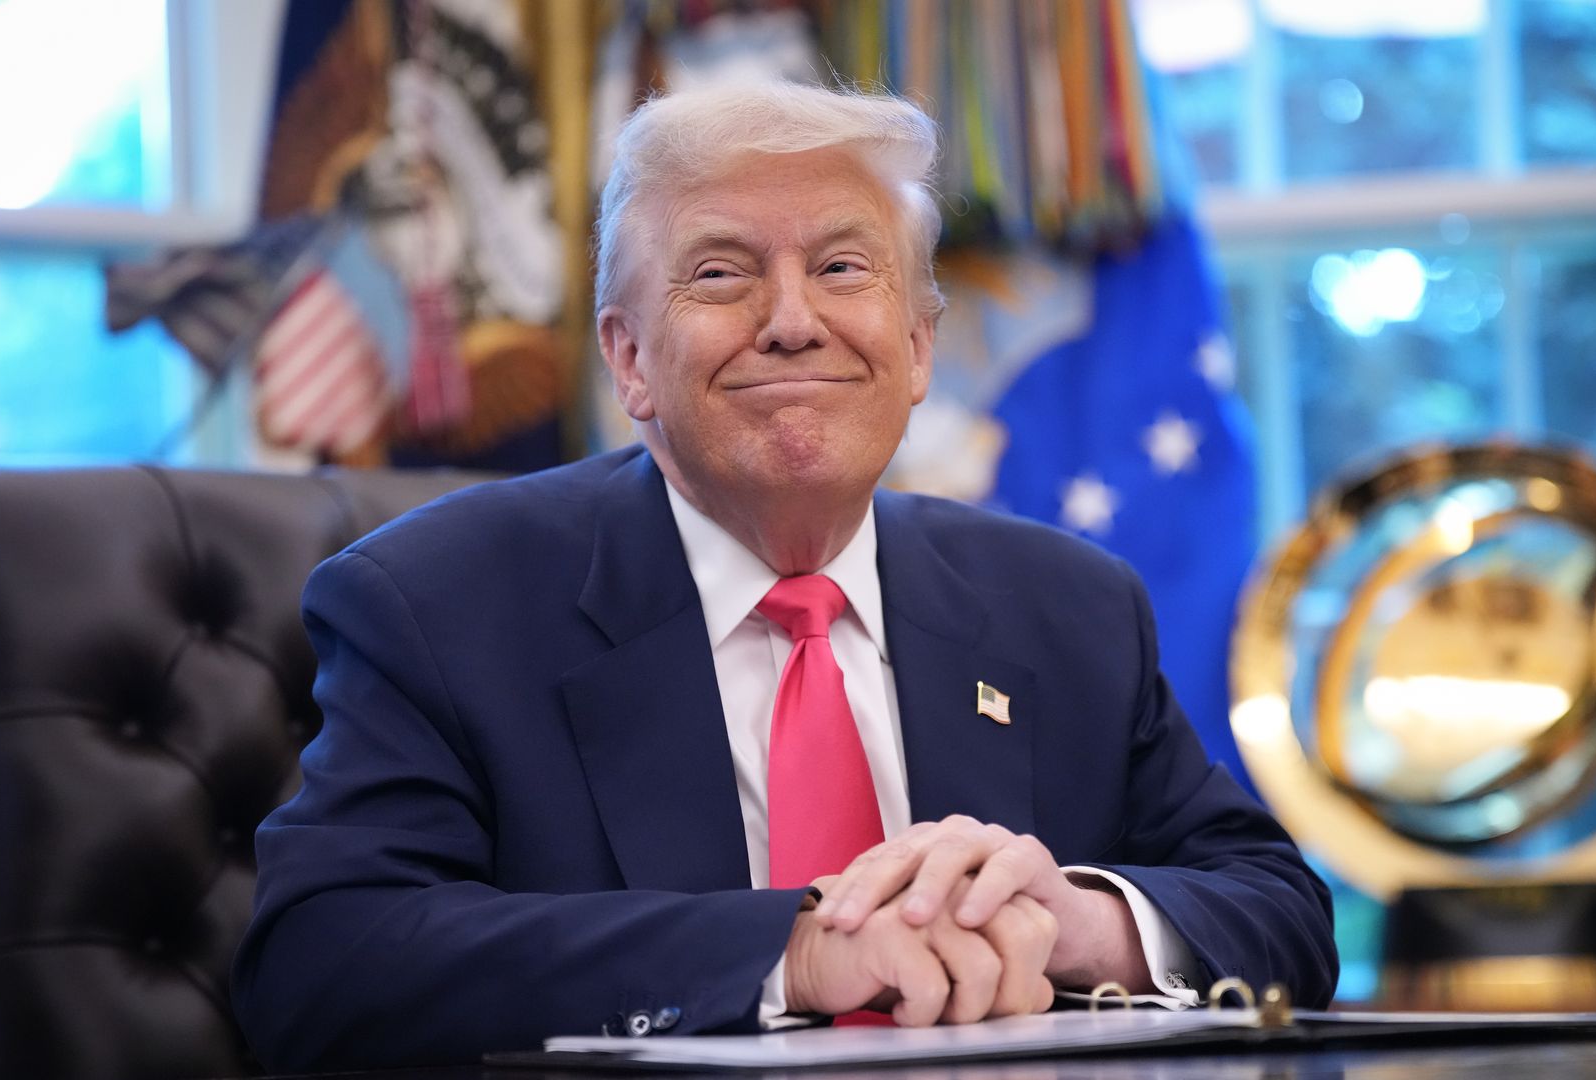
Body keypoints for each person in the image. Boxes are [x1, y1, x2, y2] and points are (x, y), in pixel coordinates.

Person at [233, 80, 1337, 1072]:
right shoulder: (435, 602)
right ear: (629, 359)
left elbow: (1280, 911)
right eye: (722, 274)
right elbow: (323, 965)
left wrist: (1079, 919)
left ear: (915, 350)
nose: (794, 322)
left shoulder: (1069, 606)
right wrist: (793, 950)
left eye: (843, 269)